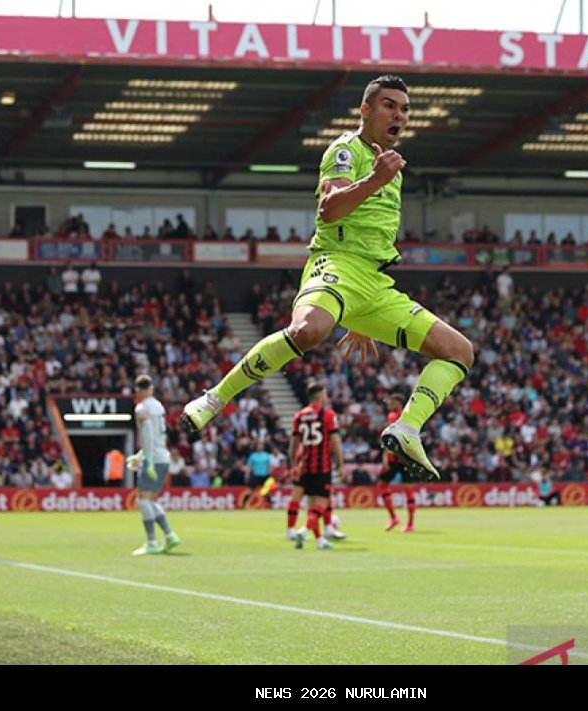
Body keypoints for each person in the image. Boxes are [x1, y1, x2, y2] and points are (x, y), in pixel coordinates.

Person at [180, 75, 474, 485]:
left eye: (405, 109)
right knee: (308, 330)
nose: (399, 116)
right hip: (336, 263)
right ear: (366, 110)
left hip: (373, 284)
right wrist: (375, 180)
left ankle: (407, 429)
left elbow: (371, 233)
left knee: (459, 350)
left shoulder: (393, 169)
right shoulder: (346, 150)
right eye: (389, 105)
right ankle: (214, 399)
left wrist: (360, 314)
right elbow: (330, 211)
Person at [126, 375, 180, 555]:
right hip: (163, 456)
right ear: (151, 389)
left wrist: (146, 459)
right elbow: (158, 435)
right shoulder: (159, 406)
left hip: (154, 459)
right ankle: (170, 536)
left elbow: (148, 431)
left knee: (142, 500)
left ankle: (151, 542)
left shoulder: (141, 408)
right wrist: (141, 454)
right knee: (151, 500)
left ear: (137, 390)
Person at [288, 382, 346, 549]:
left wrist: (293, 464)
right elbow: (335, 442)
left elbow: (293, 444)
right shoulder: (328, 415)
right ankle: (305, 530)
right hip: (322, 467)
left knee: (311, 504)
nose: (326, 397)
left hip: (304, 465)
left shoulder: (299, 416)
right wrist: (341, 464)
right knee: (321, 503)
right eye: (325, 394)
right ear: (320, 396)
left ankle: (319, 540)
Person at [378, 393, 416, 532]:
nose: (389, 404)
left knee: (382, 485)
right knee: (408, 490)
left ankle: (393, 517)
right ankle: (410, 524)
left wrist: (385, 457)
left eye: (391, 402)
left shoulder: (393, 417)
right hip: (407, 458)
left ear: (398, 403)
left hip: (394, 458)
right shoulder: (409, 416)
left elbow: (389, 438)